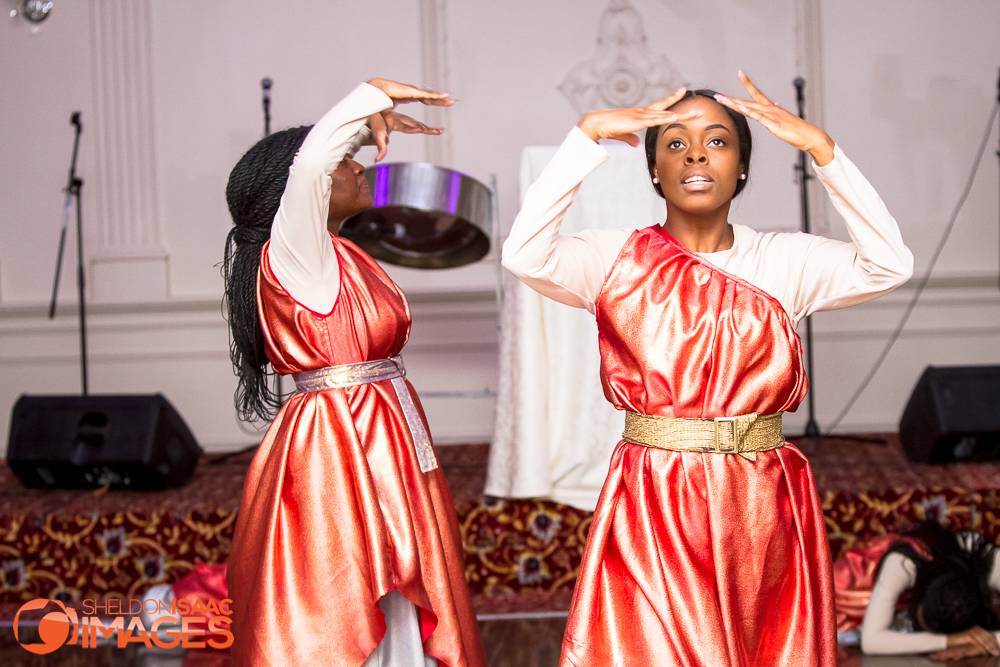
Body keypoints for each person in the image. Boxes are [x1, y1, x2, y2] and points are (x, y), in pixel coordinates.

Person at [502, 71, 913, 666]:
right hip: (655, 498)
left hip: (760, 502)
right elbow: (525, 253)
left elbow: (887, 265)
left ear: (742, 166)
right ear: (653, 171)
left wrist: (824, 151)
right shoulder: (614, 259)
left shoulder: (782, 259)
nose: (696, 153)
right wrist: (587, 136)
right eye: (675, 142)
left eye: (717, 140)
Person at [222, 78, 487, 667]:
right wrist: (371, 98)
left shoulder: (336, 250)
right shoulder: (294, 253)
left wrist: (365, 129)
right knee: (353, 578)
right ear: (301, 189)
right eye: (349, 160)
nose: (359, 166)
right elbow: (313, 160)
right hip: (340, 441)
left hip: (378, 431)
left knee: (395, 579)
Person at [857, 521, 1000, 662]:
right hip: (859, 588)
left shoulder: (988, 559)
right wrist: (950, 640)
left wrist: (988, 642)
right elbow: (870, 641)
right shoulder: (902, 563)